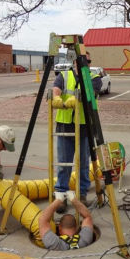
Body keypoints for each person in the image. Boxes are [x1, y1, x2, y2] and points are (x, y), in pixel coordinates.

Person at [52, 56, 102, 213]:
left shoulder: (94, 78)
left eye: (86, 61)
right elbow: (56, 89)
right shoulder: (64, 76)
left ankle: (81, 195)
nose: (82, 64)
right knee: (63, 164)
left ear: (89, 63)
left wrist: (74, 99)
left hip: (85, 127)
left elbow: (90, 94)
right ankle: (60, 196)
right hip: (65, 126)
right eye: (79, 61)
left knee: (83, 164)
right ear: (74, 62)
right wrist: (57, 98)